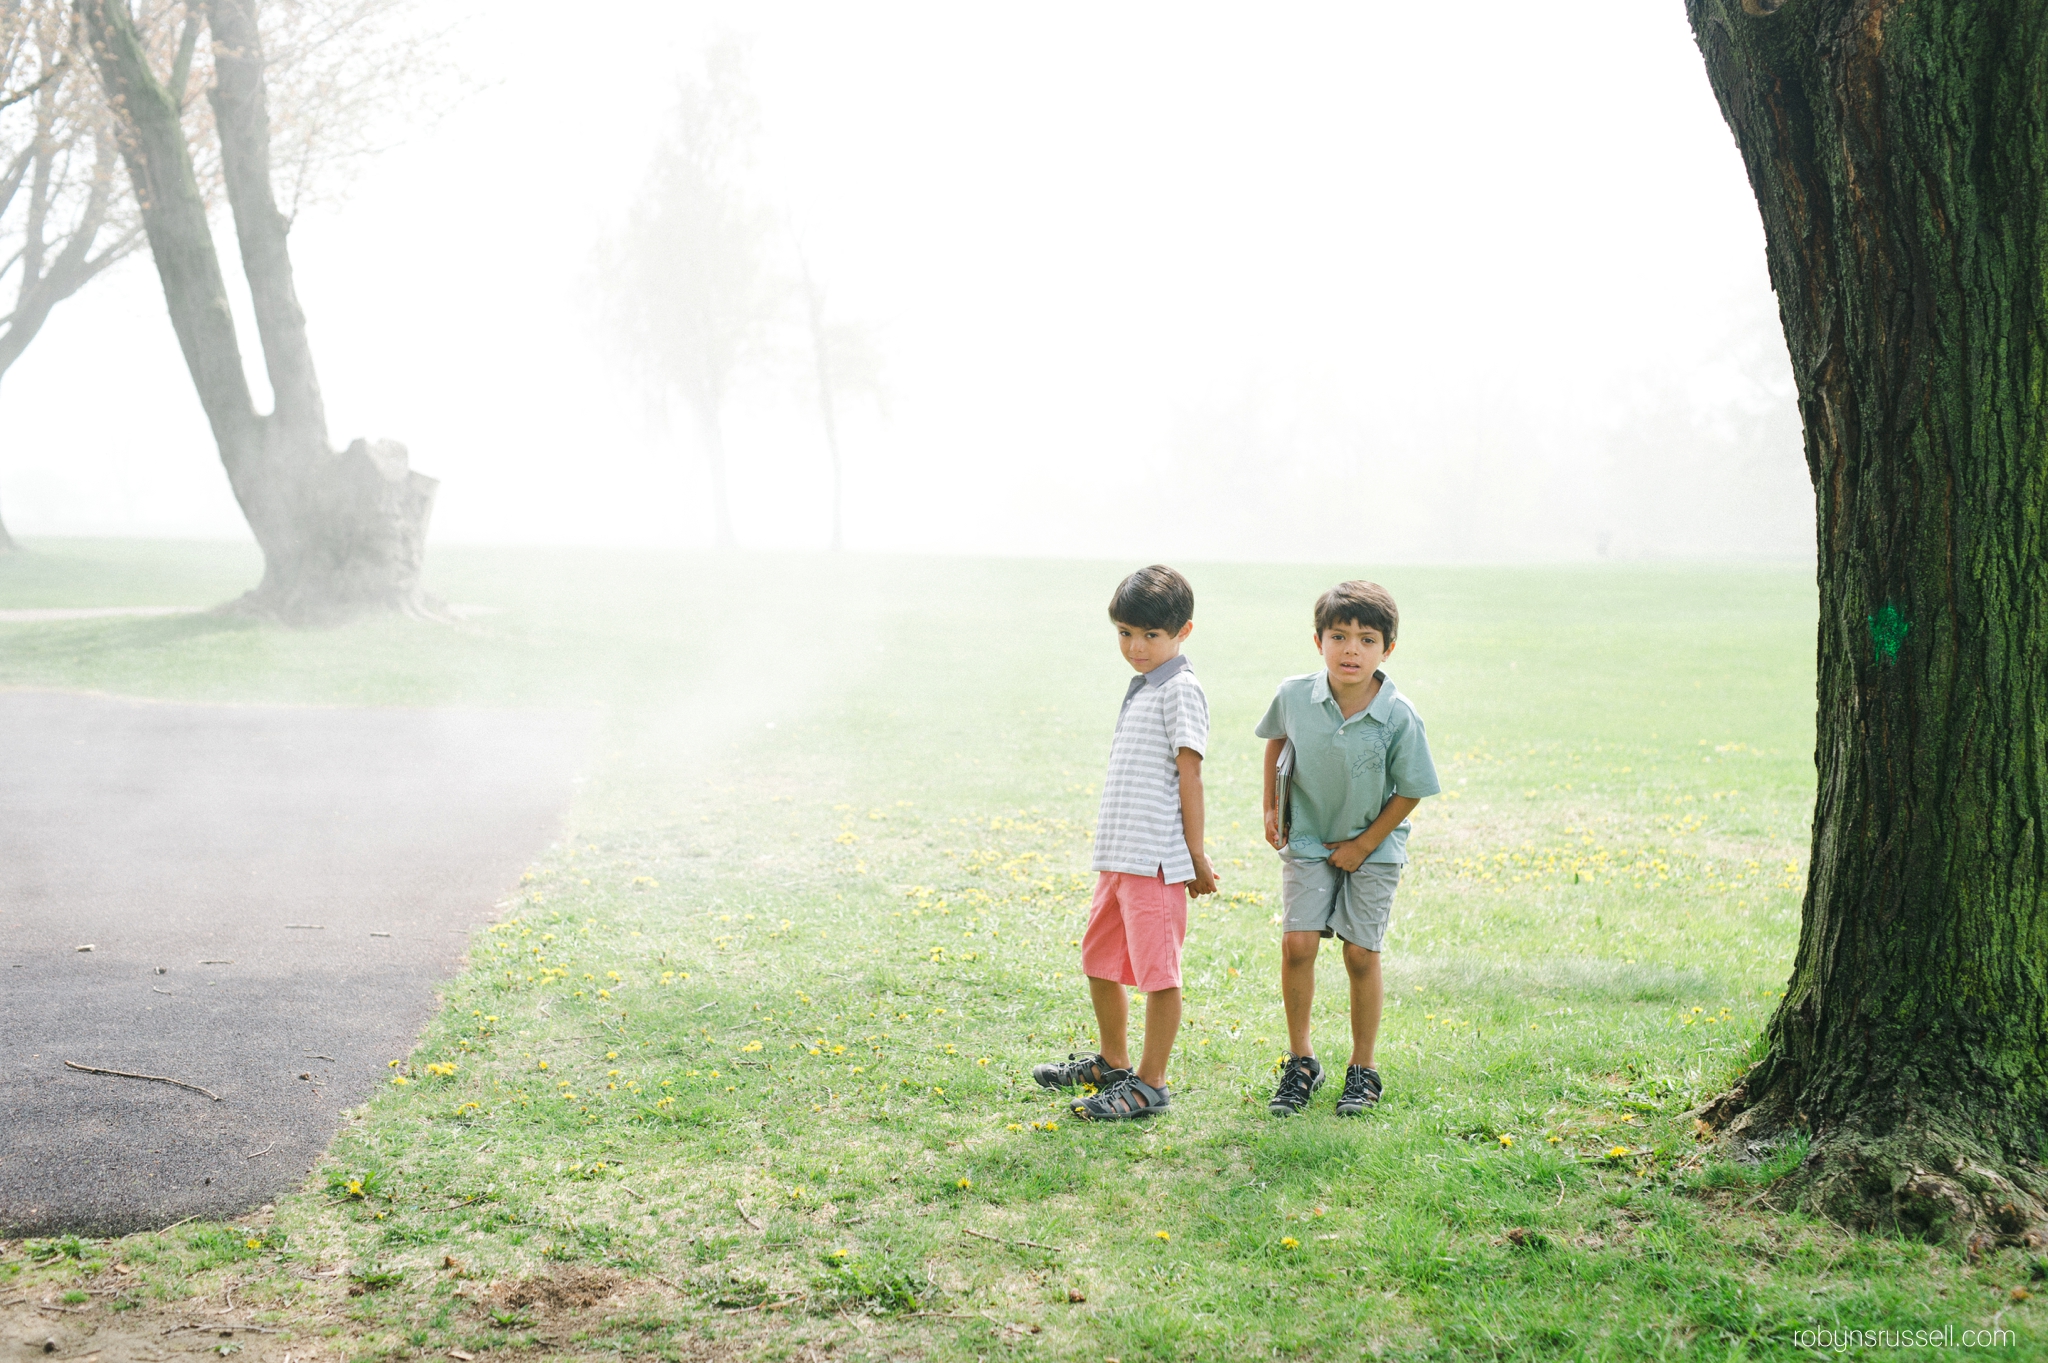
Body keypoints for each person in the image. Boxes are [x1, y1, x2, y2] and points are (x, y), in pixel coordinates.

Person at [1031, 564, 1217, 1120]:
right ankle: (1113, 1062)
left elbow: (1191, 776)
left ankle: (1150, 1083)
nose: (1135, 647)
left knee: (1158, 974)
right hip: (1118, 856)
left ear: (1183, 631)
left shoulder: (1182, 690)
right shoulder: (1143, 688)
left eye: (1150, 635)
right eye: (1124, 634)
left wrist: (1196, 856)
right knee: (1099, 959)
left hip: (1155, 860)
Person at [1255, 580, 1439, 1117]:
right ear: (1318, 641)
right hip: (1308, 839)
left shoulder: (1399, 714)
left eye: (1366, 639)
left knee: (1360, 953)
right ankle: (1301, 1061)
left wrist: (1363, 844)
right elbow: (1276, 741)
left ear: (1388, 649)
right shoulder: (1294, 695)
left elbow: (1411, 791)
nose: (1351, 650)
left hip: (1374, 847)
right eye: (1339, 636)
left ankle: (1364, 1068)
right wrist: (1270, 807)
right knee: (1298, 946)